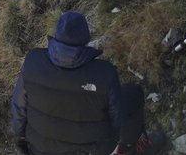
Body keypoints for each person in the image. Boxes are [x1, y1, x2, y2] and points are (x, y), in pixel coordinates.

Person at [11, 11, 166, 155]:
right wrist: (109, 140)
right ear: (86, 39)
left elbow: (19, 109)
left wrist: (22, 141)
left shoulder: (32, 62)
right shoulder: (104, 73)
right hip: (91, 150)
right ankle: (129, 149)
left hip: (41, 149)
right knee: (134, 93)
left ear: (56, 36)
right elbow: (116, 119)